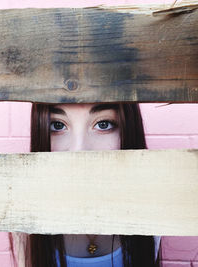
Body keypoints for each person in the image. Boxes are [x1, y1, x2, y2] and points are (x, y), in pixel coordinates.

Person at [10, 102, 161, 267]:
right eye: (57, 125)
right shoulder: (24, 215)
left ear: (129, 129)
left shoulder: (152, 206)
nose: (78, 150)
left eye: (103, 124)